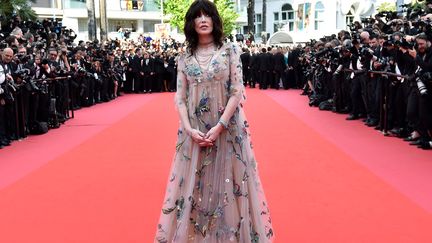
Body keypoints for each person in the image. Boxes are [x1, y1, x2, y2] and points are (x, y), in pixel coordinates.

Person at [155, 0, 274, 242]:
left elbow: (237, 91)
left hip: (228, 128)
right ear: (191, 23)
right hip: (194, 131)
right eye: (197, 16)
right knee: (195, 182)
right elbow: (179, 98)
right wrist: (189, 130)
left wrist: (220, 125)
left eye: (207, 15)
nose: (202, 20)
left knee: (230, 181)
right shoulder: (184, 56)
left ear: (214, 20)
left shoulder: (230, 50)